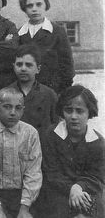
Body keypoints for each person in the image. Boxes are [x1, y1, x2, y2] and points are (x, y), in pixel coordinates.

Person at [39, 85, 105, 218]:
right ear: (62, 112)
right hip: (57, 191)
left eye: (79, 111)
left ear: (89, 112)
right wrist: (71, 189)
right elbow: (51, 172)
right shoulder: (51, 135)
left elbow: (97, 177)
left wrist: (79, 187)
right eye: (69, 110)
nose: (74, 116)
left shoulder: (98, 142)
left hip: (87, 191)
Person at [0, 87, 42, 218]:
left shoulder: (31, 133)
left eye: (18, 108)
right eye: (7, 107)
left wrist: (25, 207)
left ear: (23, 110)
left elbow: (33, 172)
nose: (12, 112)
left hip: (24, 196)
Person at [18, 0, 74, 94]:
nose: (34, 9)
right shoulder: (20, 33)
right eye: (30, 6)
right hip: (26, 91)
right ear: (24, 9)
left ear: (46, 6)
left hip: (52, 91)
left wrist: (61, 90)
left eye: (39, 4)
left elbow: (67, 65)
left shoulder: (57, 31)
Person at [7, 44, 58, 137]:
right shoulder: (6, 94)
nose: (23, 68)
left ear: (38, 69)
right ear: (13, 67)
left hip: (42, 146)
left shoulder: (49, 94)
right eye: (19, 64)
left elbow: (57, 126)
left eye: (28, 65)